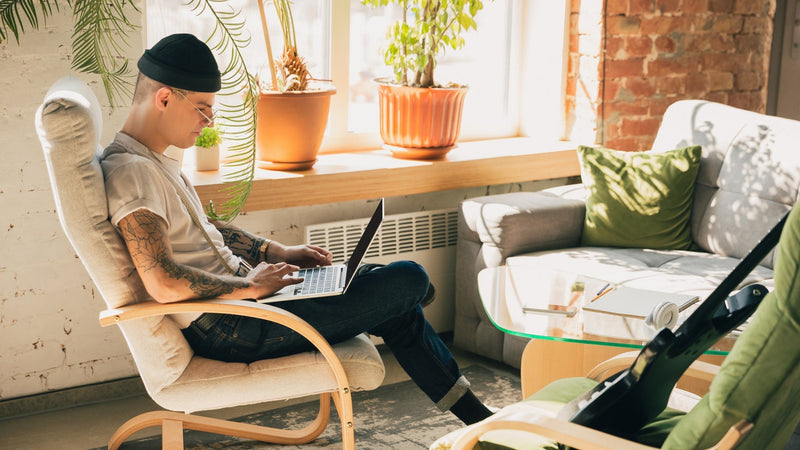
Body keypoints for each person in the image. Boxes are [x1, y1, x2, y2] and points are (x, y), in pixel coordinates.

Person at [100, 33, 493, 425]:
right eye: (203, 109)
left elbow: (207, 229)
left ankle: (478, 419)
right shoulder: (132, 173)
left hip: (246, 305)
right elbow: (162, 282)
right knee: (409, 279)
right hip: (232, 326)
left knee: (379, 284)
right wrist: (250, 288)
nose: (208, 122)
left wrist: (277, 253)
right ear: (164, 98)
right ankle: (477, 416)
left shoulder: (154, 163)